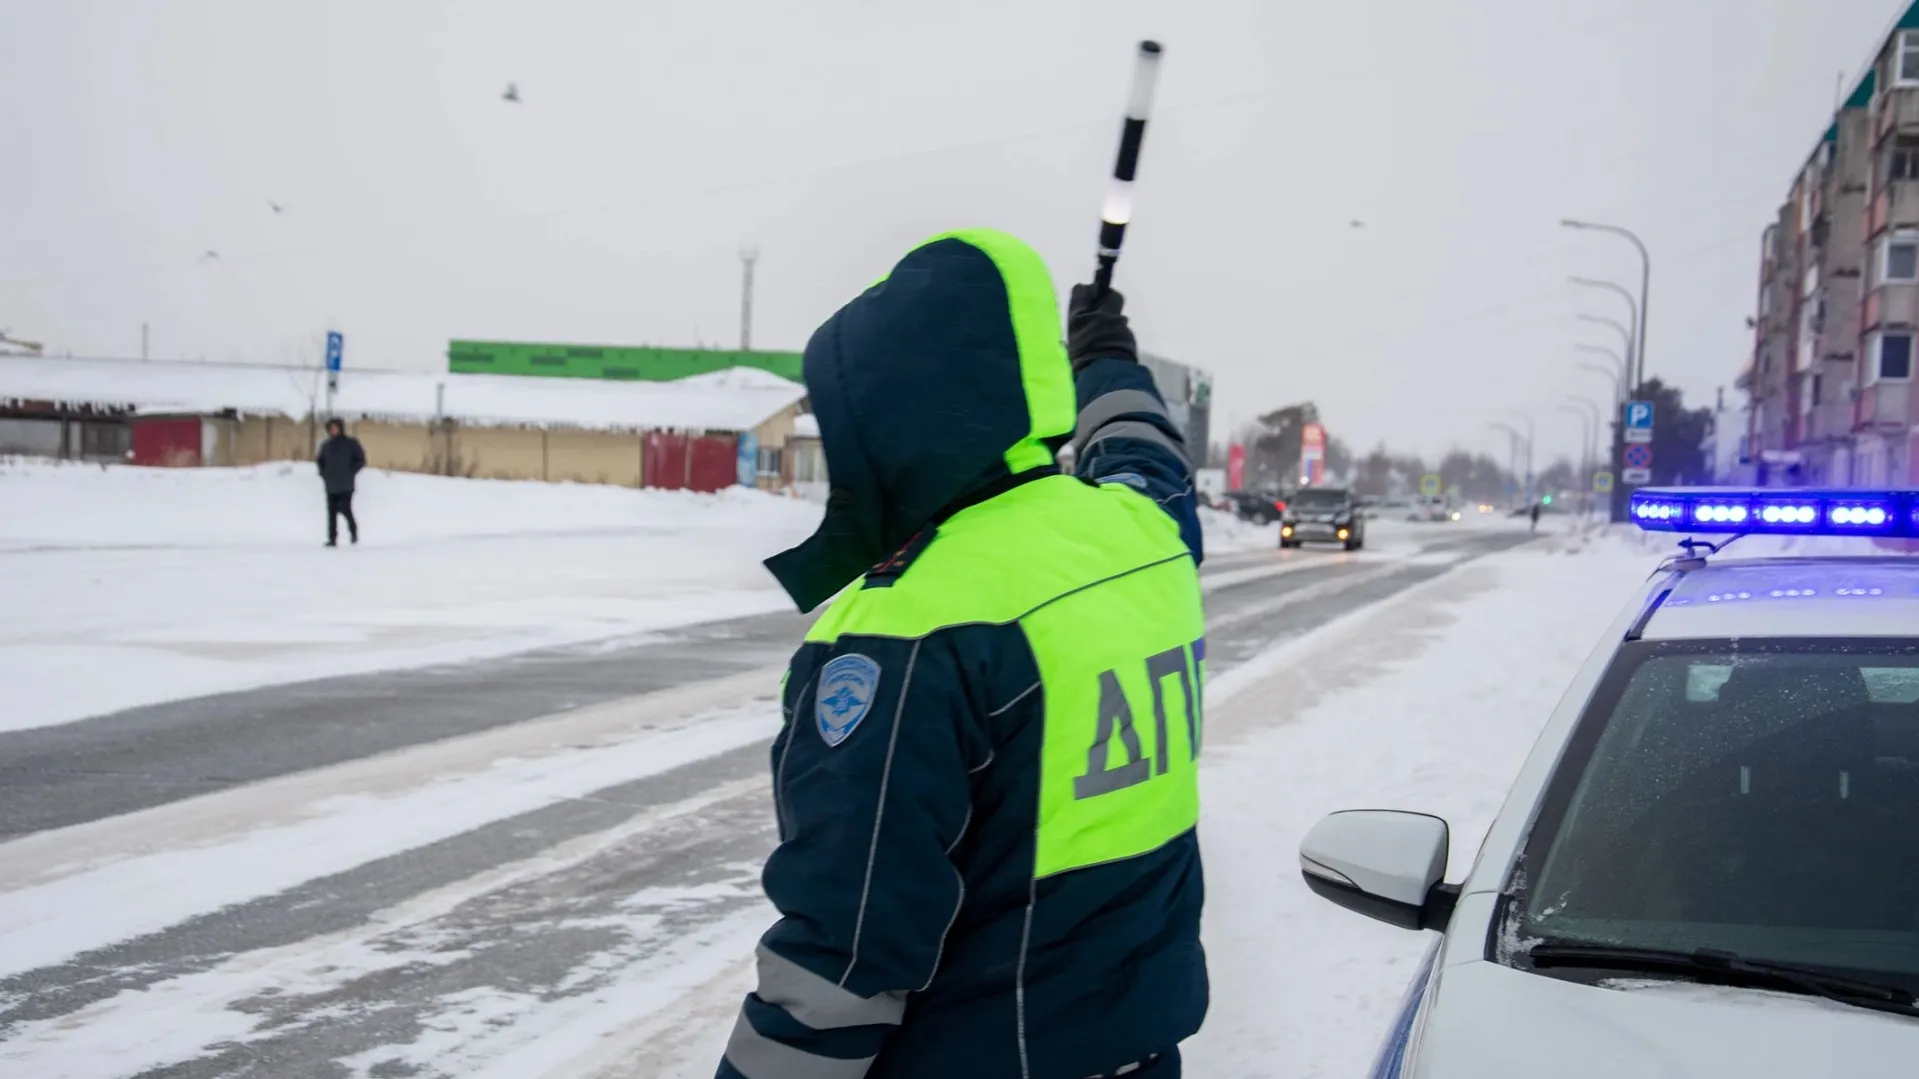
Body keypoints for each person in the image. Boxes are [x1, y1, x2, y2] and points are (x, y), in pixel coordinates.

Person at [717, 230, 1206, 1079]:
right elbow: (1145, 455)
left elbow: (844, 953)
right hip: (1137, 1052)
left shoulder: (904, 630)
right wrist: (1105, 358)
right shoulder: (1141, 537)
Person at [315, 418, 365, 547]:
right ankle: (332, 538)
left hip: (346, 484)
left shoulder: (350, 443)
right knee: (331, 512)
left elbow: (360, 460)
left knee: (344, 508)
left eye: (335, 428)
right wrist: (323, 473)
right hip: (331, 484)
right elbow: (320, 461)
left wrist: (350, 471)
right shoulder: (326, 445)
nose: (333, 431)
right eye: (330, 428)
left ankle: (353, 532)